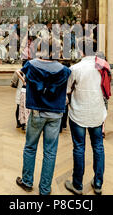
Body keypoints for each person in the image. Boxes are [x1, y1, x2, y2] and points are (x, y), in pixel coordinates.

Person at [15, 49, 71, 195]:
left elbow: (24, 76)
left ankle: (27, 182)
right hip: (56, 114)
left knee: (30, 147)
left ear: (42, 50)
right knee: (50, 152)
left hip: (37, 112)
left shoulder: (31, 65)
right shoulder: (64, 70)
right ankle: (45, 189)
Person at [64, 53, 109, 195]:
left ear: (81, 53)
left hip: (79, 113)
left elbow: (67, 90)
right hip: (97, 113)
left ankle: (77, 185)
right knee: (98, 147)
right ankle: (98, 183)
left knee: (79, 148)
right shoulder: (102, 67)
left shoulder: (75, 68)